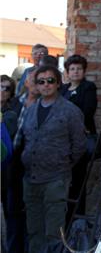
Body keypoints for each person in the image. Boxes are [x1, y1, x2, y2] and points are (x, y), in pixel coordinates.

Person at [20, 65, 86, 253]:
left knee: (54, 233)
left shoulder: (70, 111)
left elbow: (79, 145)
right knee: (34, 230)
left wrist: (62, 163)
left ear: (58, 83)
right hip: (31, 179)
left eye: (50, 80)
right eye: (41, 81)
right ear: (36, 85)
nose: (46, 85)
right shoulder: (31, 110)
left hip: (55, 179)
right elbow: (27, 138)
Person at [61, 54, 98, 224]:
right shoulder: (62, 89)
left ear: (84, 71)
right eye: (72, 69)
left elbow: (88, 111)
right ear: (67, 72)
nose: (75, 72)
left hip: (79, 140)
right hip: (61, 141)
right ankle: (63, 217)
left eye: (79, 69)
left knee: (77, 180)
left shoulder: (88, 88)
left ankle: (77, 221)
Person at [1, 75, 27, 253]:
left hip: (6, 169)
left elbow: (8, 145)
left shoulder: (12, 113)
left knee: (8, 210)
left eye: (6, 88)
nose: (1, 91)